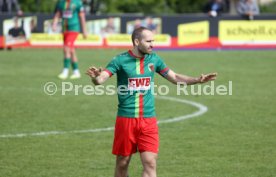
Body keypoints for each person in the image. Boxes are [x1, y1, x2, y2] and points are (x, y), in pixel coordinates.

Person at [86, 27, 217, 177]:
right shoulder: (120, 60)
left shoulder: (154, 59)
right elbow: (100, 79)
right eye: (148, 41)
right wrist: (95, 77)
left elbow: (174, 78)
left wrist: (197, 80)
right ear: (136, 41)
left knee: (150, 163)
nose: (152, 44)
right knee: (122, 163)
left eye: (153, 41)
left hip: (148, 119)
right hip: (126, 119)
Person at [52, 0, 88, 80]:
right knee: (71, 50)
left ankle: (65, 71)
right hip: (65, 29)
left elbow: (82, 16)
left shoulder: (77, 2)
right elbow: (58, 14)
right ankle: (76, 72)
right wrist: (54, 24)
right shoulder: (61, 2)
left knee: (66, 48)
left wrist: (85, 30)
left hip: (74, 29)